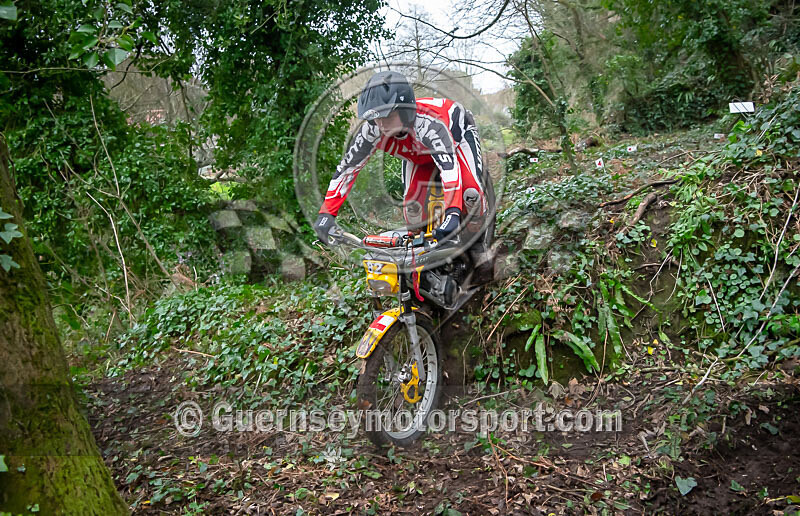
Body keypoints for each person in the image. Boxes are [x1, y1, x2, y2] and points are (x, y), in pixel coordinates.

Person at [313, 70, 494, 282]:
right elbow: (347, 170)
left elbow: (449, 168)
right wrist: (327, 213)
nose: (381, 125)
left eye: (387, 116)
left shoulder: (429, 124)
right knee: (412, 210)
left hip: (456, 138)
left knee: (470, 193)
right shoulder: (371, 130)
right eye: (376, 118)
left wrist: (453, 214)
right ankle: (423, 267)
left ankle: (480, 248)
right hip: (418, 154)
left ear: (406, 110)